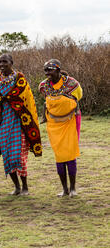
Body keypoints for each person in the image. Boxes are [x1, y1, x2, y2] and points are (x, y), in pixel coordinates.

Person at [0, 54, 42, 196]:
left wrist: (8, 99)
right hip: (3, 122)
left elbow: (23, 96)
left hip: (19, 121)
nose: (2, 64)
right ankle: (16, 187)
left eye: (5, 62)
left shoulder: (19, 78)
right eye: (0, 62)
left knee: (18, 156)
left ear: (11, 63)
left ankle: (25, 187)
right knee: (7, 155)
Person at [39, 59, 82, 197]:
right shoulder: (44, 86)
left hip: (70, 121)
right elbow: (47, 101)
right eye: (45, 70)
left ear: (58, 70)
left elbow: (77, 98)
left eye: (50, 70)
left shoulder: (72, 84)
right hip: (53, 123)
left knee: (69, 154)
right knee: (59, 156)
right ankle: (65, 189)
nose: (47, 73)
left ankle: (73, 188)